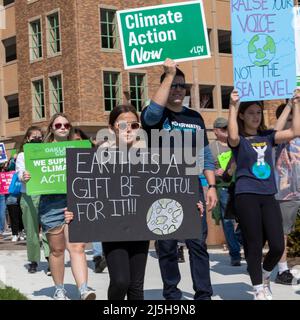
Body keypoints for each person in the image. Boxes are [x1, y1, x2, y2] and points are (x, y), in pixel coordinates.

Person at [141, 58, 218, 300]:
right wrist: (169, 73)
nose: (177, 89)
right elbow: (152, 114)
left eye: (181, 86)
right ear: (164, 86)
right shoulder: (154, 115)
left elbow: (205, 155)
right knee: (167, 245)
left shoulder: (195, 117)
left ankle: (203, 294)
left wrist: (211, 186)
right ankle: (172, 295)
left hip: (192, 186)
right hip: (162, 186)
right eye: (173, 84)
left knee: (197, 243)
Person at [66, 105, 149, 300]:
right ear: (111, 128)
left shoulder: (151, 153)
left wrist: (189, 206)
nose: (128, 129)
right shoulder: (99, 155)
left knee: (136, 286)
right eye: (122, 124)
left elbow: (168, 187)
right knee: (121, 281)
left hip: (140, 227)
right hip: (112, 228)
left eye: (134, 125)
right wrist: (74, 210)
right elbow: (86, 192)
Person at [227, 89, 300, 300]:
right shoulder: (239, 140)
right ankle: (258, 287)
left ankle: (266, 276)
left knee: (277, 245)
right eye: (250, 112)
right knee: (254, 244)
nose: (255, 116)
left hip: (268, 195)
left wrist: (294, 103)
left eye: (258, 112)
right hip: (246, 195)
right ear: (242, 115)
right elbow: (231, 135)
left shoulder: (268, 136)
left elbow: (295, 131)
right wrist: (233, 105)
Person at [31, 113, 95, 300]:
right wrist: (26, 177)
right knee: (57, 250)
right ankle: (59, 289)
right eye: (58, 125)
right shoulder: (39, 152)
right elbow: (30, 181)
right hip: (51, 204)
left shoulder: (79, 148)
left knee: (77, 246)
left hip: (75, 200)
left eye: (66, 125)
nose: (62, 128)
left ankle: (83, 289)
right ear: (51, 128)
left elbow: (90, 175)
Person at [16, 126, 50, 273]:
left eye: (39, 136)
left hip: (46, 194)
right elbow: (19, 172)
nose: (37, 138)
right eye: (33, 136)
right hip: (28, 195)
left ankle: (51, 259)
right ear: (27, 138)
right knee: (31, 230)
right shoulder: (22, 156)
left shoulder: (47, 152)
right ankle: (34, 260)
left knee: (49, 227)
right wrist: (23, 176)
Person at [73, 127, 107, 273]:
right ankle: (98, 256)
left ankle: (100, 256)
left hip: (100, 195)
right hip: (81, 198)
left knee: (100, 227)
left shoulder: (95, 155)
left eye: (79, 140)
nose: (77, 143)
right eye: (74, 141)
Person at [274, 101, 300, 285]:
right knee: (283, 233)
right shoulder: (275, 137)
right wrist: (290, 106)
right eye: (290, 118)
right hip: (285, 192)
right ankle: (282, 271)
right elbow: (274, 130)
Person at [210, 117, 241, 266]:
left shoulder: (236, 143)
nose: (226, 131)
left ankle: (239, 240)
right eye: (223, 129)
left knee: (246, 217)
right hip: (223, 187)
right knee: (228, 221)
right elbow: (205, 167)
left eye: (227, 128)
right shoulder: (211, 148)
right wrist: (215, 172)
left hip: (240, 185)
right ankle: (235, 254)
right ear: (215, 131)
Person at [5, 155, 24, 242]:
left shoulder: (25, 161)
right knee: (13, 215)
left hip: (22, 191)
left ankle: (21, 232)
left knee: (21, 214)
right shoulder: (11, 163)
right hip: (12, 194)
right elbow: (8, 167)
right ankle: (15, 233)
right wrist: (12, 159)